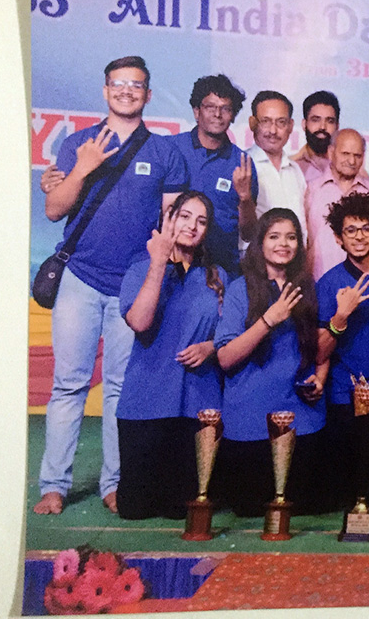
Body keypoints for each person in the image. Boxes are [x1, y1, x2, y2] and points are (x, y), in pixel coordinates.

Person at [35, 55, 188, 516]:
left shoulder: (164, 153)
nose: (126, 90)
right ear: (105, 91)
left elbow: (171, 224)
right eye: (118, 83)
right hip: (79, 279)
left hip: (132, 286)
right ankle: (54, 486)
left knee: (120, 387)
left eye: (135, 84)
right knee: (69, 385)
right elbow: (54, 210)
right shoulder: (78, 143)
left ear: (148, 94)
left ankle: (115, 482)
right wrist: (82, 167)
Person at [115, 191, 226, 520]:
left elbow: (231, 334)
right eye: (185, 217)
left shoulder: (218, 277)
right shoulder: (141, 269)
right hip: (147, 402)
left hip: (196, 404)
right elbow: (139, 322)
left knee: (183, 510)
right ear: (169, 219)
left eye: (201, 221)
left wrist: (211, 347)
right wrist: (159, 262)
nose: (192, 226)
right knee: (135, 510)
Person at [213, 208, 327, 517]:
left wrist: (319, 377)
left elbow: (321, 348)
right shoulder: (240, 289)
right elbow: (225, 358)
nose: (283, 244)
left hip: (302, 421)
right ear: (260, 242)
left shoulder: (308, 288)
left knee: (304, 510)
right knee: (250, 509)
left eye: (291, 237)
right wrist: (268, 320)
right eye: (274, 236)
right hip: (250, 425)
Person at [317, 192, 369, 512]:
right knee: (348, 496)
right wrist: (340, 317)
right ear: (339, 238)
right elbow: (318, 353)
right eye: (351, 230)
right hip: (344, 398)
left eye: (366, 228)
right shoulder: (328, 283)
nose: (359, 236)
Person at [169, 74, 257, 278]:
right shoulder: (171, 149)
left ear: (233, 116)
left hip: (221, 271)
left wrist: (245, 198)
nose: (218, 114)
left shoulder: (242, 163)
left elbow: (249, 233)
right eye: (210, 107)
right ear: (196, 111)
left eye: (226, 108)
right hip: (171, 267)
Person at [306, 128, 369, 280]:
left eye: (357, 156)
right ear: (331, 152)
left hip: (364, 284)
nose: (352, 161)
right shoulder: (311, 190)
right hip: (319, 283)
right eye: (345, 154)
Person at [246, 90, 308, 246]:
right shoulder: (243, 165)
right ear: (252, 123)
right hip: (253, 258)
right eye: (265, 121)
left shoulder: (295, 170)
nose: (273, 131)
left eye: (281, 122)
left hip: (294, 258)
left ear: (290, 126)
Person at [292, 90, 341, 183]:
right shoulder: (292, 167)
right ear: (304, 124)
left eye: (330, 121)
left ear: (337, 126)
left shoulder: (349, 167)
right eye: (315, 120)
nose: (322, 127)